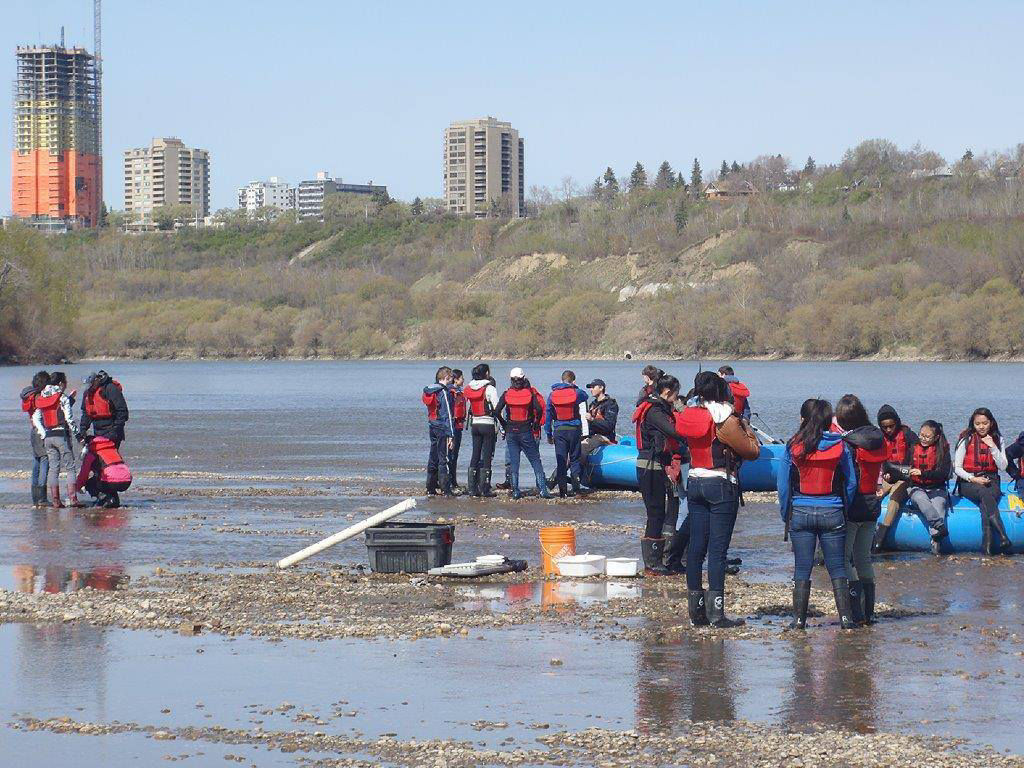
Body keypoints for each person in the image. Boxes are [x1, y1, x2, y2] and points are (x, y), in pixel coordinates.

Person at [675, 371, 760, 627]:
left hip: (695, 481)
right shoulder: (725, 419)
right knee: (717, 550)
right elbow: (752, 451)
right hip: (720, 483)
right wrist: (747, 428)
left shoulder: (689, 414)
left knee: (696, 548)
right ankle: (716, 615)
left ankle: (696, 612)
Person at [778, 399, 857, 630]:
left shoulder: (793, 446)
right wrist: (844, 509)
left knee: (802, 567)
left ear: (803, 419)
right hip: (833, 511)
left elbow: (782, 485)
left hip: (801, 511)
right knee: (837, 567)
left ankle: (798, 621)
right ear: (828, 420)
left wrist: (786, 514)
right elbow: (851, 483)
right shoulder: (840, 446)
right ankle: (846, 619)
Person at [834, 394, 887, 625]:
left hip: (853, 503)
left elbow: (846, 476)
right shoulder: (878, 439)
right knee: (863, 557)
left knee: (845, 559)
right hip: (872, 503)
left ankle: (856, 611)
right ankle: (869, 613)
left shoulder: (848, 443)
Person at [633, 375, 689, 576]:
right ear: (667, 392)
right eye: (676, 394)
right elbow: (674, 431)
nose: (677, 398)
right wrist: (683, 412)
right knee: (655, 512)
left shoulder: (662, 408)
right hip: (649, 466)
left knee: (671, 509)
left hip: (661, 465)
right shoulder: (655, 411)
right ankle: (652, 564)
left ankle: (667, 557)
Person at [885, 420, 952, 556]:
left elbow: (944, 474)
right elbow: (903, 470)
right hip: (916, 488)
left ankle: (936, 546)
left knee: (939, 505)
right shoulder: (913, 449)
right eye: (921, 435)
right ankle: (940, 526)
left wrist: (923, 473)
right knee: (921, 499)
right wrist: (891, 477)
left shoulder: (943, 451)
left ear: (936, 437)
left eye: (927, 437)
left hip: (937, 488)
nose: (923, 439)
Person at [954, 408, 1010, 555]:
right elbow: (957, 468)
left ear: (991, 423)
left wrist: (993, 447)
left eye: (985, 423)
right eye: (977, 424)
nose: (981, 427)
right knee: (984, 493)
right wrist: (973, 478)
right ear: (973, 424)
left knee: (985, 504)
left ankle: (987, 549)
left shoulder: (998, 439)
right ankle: (1002, 535)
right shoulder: (966, 439)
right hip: (968, 482)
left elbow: (1003, 466)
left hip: (991, 480)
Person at [496, 367, 553, 500]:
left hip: (511, 432)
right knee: (535, 460)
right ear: (523, 378)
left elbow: (496, 411)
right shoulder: (530, 394)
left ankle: (515, 491)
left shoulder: (506, 394)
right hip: (526, 430)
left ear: (511, 379)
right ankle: (543, 490)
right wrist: (536, 423)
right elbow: (539, 409)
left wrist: (504, 424)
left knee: (514, 462)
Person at [871, 404, 918, 552]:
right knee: (875, 495)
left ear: (897, 422)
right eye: (884, 427)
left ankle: (881, 537)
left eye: (891, 426)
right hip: (886, 477)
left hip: (904, 478)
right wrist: (880, 479)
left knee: (894, 499)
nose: (888, 430)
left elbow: (916, 459)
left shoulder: (909, 435)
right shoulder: (878, 438)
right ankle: (867, 531)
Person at [32, 372, 82, 509]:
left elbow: (35, 418)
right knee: (70, 467)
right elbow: (69, 419)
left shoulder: (42, 396)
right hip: (61, 435)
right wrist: (79, 436)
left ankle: (55, 501)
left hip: (48, 437)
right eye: (65, 382)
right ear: (60, 383)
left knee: (54, 469)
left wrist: (43, 434)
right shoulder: (62, 397)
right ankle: (73, 499)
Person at [545, 370, 589, 497]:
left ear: (561, 380)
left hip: (559, 430)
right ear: (573, 381)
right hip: (574, 429)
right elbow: (585, 396)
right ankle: (576, 488)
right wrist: (573, 387)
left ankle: (562, 492)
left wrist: (548, 434)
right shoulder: (576, 392)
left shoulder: (552, 395)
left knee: (561, 460)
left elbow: (548, 416)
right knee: (575, 458)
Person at [464, 364, 499, 498]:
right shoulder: (490, 388)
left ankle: (472, 489)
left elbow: (469, 407)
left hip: (475, 424)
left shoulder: (469, 388)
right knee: (487, 455)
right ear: (487, 374)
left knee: (475, 454)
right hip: (487, 423)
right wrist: (500, 427)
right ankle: (485, 489)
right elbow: (497, 408)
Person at [422, 366, 457, 496]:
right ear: (446, 377)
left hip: (432, 425)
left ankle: (430, 487)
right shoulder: (443, 392)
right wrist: (451, 435)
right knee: (444, 458)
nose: (452, 381)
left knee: (433, 456)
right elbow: (447, 414)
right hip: (442, 427)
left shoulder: (430, 390)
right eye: (451, 378)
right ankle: (446, 489)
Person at [76, 436, 133, 508]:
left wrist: (77, 487)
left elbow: (83, 475)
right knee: (108, 479)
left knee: (90, 483)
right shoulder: (113, 449)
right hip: (127, 480)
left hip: (111, 480)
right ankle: (114, 501)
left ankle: (104, 498)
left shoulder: (92, 453)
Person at [20, 370, 50, 507]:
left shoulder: (29, 396)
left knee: (37, 462)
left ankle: (35, 498)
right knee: (44, 461)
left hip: (33, 431)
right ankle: (42, 498)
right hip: (41, 430)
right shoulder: (39, 396)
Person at [80, 370, 129, 446]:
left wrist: (116, 428)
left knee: (109, 452)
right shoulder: (87, 393)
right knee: (97, 452)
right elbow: (86, 413)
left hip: (112, 429)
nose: (90, 387)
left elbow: (122, 411)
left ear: (96, 380)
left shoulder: (110, 388)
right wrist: (83, 429)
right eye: (88, 385)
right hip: (97, 430)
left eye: (92, 384)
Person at [580, 378, 618, 458]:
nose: (591, 390)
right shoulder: (592, 405)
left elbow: (609, 426)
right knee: (574, 445)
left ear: (601, 388)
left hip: (604, 436)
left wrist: (592, 420)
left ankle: (582, 466)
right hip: (592, 435)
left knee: (582, 448)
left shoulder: (611, 404)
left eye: (593, 387)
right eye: (590, 388)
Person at [448, 369, 467, 494]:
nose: (463, 380)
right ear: (456, 379)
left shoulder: (457, 392)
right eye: (462, 378)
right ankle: (451, 481)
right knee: (452, 455)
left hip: (457, 425)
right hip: (453, 426)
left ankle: (451, 480)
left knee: (453, 455)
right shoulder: (451, 393)